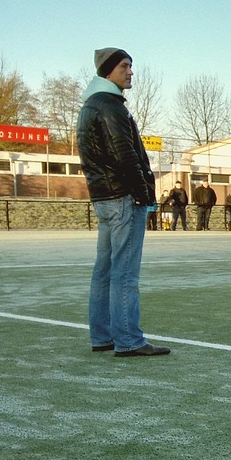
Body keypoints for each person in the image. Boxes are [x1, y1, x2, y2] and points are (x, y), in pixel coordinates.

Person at [78, 46, 169, 357]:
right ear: (108, 71)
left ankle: (102, 336)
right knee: (124, 273)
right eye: (124, 67)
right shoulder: (111, 106)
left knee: (104, 270)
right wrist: (143, 193)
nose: (130, 72)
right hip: (122, 198)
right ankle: (129, 340)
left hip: (105, 197)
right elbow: (125, 154)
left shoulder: (92, 104)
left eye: (130, 66)